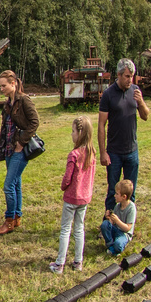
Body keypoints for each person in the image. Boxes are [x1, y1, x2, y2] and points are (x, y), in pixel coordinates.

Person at [98, 59, 151, 216]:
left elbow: (145, 116)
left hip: (132, 151)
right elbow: (101, 125)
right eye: (127, 76)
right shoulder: (108, 95)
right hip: (114, 152)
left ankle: (128, 224)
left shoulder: (135, 91)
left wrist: (140, 102)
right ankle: (108, 222)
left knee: (130, 192)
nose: (130, 80)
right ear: (119, 75)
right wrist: (103, 152)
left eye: (132, 76)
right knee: (113, 192)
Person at [0, 69, 39, 235]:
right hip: (9, 148)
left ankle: (9, 220)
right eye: (0, 86)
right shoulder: (7, 104)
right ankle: (17, 217)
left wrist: (21, 142)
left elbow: (34, 122)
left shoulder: (24, 100)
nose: (1, 89)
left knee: (8, 185)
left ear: (13, 83)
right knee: (16, 183)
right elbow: (5, 129)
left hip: (20, 149)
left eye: (4, 85)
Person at [52, 116, 96, 273]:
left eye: (73, 131)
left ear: (80, 133)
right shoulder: (92, 153)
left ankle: (59, 264)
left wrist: (63, 186)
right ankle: (78, 262)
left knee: (65, 229)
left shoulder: (74, 155)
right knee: (79, 229)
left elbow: (67, 178)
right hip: (84, 199)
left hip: (71, 198)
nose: (71, 134)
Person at [100, 178, 137, 256]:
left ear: (124, 196)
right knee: (105, 224)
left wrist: (117, 221)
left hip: (124, 234)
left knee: (118, 244)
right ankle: (110, 245)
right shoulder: (117, 206)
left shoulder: (131, 208)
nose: (114, 195)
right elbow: (112, 224)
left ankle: (114, 247)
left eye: (117, 194)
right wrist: (109, 218)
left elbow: (127, 228)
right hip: (116, 230)